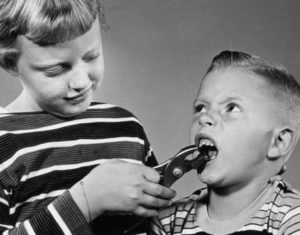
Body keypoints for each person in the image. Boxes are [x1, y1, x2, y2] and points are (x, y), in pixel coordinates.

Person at [0, 0, 176, 234]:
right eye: (56, 70)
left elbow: (159, 220)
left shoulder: (126, 127)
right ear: (10, 63)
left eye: (91, 56)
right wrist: (86, 200)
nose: (81, 82)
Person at [149, 50, 300, 235]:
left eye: (231, 108)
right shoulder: (168, 221)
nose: (205, 118)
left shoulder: (292, 218)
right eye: (201, 108)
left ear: (278, 142)